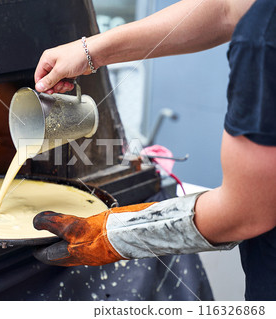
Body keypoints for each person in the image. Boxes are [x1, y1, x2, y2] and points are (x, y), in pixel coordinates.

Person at [32, 0, 276, 301]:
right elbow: (227, 8)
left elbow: (246, 213)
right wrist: (89, 51)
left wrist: (108, 236)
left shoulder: (264, 39)